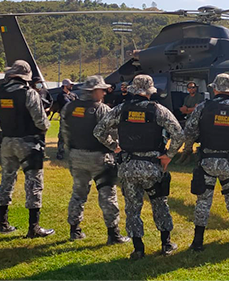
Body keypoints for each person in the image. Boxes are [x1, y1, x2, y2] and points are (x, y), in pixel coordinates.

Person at [94, 74, 185, 260]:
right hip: (152, 167)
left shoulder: (120, 110)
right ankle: (166, 244)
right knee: (160, 204)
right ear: (150, 91)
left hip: (128, 167)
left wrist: (115, 147)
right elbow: (178, 134)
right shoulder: (158, 110)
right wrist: (168, 155)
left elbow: (98, 131)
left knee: (132, 208)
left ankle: (138, 249)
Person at [183, 73, 229, 252]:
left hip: (207, 161)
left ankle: (198, 241)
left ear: (214, 89)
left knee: (203, 201)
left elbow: (189, 130)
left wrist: (187, 149)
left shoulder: (202, 107)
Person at [0, 60, 53, 238]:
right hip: (29, 142)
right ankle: (34, 227)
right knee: (34, 183)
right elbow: (41, 122)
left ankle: (3, 223)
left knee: (6, 181)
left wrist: (0, 136)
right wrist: (46, 124)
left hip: (7, 142)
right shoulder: (29, 93)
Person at [61, 75, 130, 244]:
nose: (105, 93)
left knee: (78, 193)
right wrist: (115, 147)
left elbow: (64, 132)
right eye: (102, 90)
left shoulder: (69, 107)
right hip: (99, 157)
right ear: (94, 91)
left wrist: (69, 152)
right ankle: (113, 234)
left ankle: (74, 230)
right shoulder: (102, 110)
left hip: (76, 156)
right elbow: (111, 133)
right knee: (108, 195)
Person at [55, 79, 78, 160]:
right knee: (62, 136)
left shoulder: (73, 95)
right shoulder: (61, 95)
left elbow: (78, 104)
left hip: (74, 119)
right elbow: (68, 105)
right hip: (65, 119)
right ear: (65, 86)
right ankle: (60, 152)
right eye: (70, 85)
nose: (71, 86)